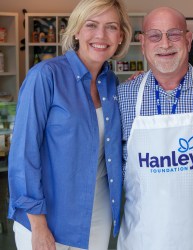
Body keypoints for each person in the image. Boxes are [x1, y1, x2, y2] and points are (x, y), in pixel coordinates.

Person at [7, 0, 132, 249]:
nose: (101, 35)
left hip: (97, 213)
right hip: (49, 218)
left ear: (120, 36)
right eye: (91, 25)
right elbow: (23, 156)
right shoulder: (45, 76)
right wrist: (38, 225)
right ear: (76, 30)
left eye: (110, 27)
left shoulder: (112, 85)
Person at [116, 7, 193, 250]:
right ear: (143, 42)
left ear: (188, 41)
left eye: (174, 34)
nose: (165, 44)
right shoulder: (124, 96)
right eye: (155, 36)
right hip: (141, 241)